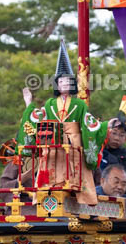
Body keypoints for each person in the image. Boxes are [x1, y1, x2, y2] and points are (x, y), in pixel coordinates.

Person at [17, 41, 117, 206]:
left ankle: (82, 197)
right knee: (49, 165)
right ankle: (45, 196)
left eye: (68, 82)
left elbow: (89, 122)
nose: (65, 84)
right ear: (57, 84)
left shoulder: (79, 104)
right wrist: (28, 103)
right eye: (62, 82)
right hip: (53, 141)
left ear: (72, 85)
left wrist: (106, 125)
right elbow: (38, 118)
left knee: (77, 167)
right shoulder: (50, 104)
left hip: (73, 141)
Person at [99, 117, 126, 190]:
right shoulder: (98, 150)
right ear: (107, 133)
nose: (117, 138)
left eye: (121, 135)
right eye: (114, 133)